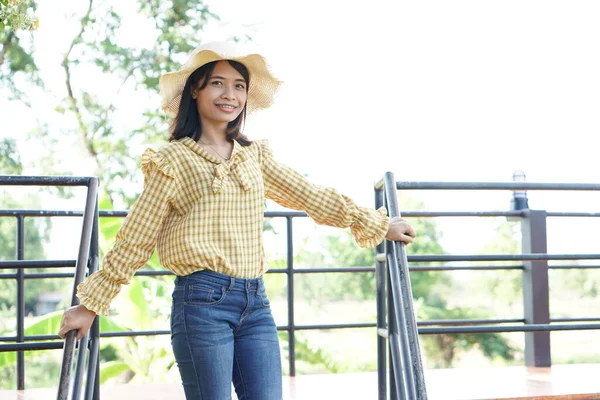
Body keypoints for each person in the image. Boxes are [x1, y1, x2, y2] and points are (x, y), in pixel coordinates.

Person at [58, 41, 416, 400]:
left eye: (239, 86)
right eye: (217, 83)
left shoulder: (253, 156)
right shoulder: (172, 160)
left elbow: (308, 194)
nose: (230, 94)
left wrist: (376, 223)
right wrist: (91, 305)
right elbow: (136, 236)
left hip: (256, 303)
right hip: (201, 304)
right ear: (195, 89)